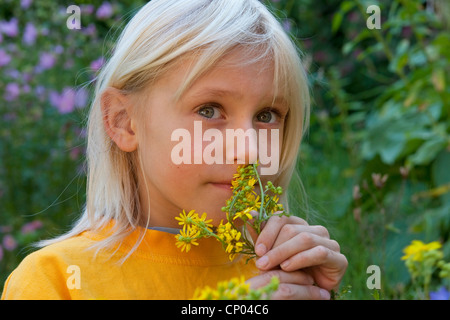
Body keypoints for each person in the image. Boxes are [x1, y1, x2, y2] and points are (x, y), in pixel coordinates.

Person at [2, 0, 347, 300]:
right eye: (209, 110)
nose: (250, 149)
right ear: (124, 122)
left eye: (267, 115)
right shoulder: (56, 282)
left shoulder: (283, 273)